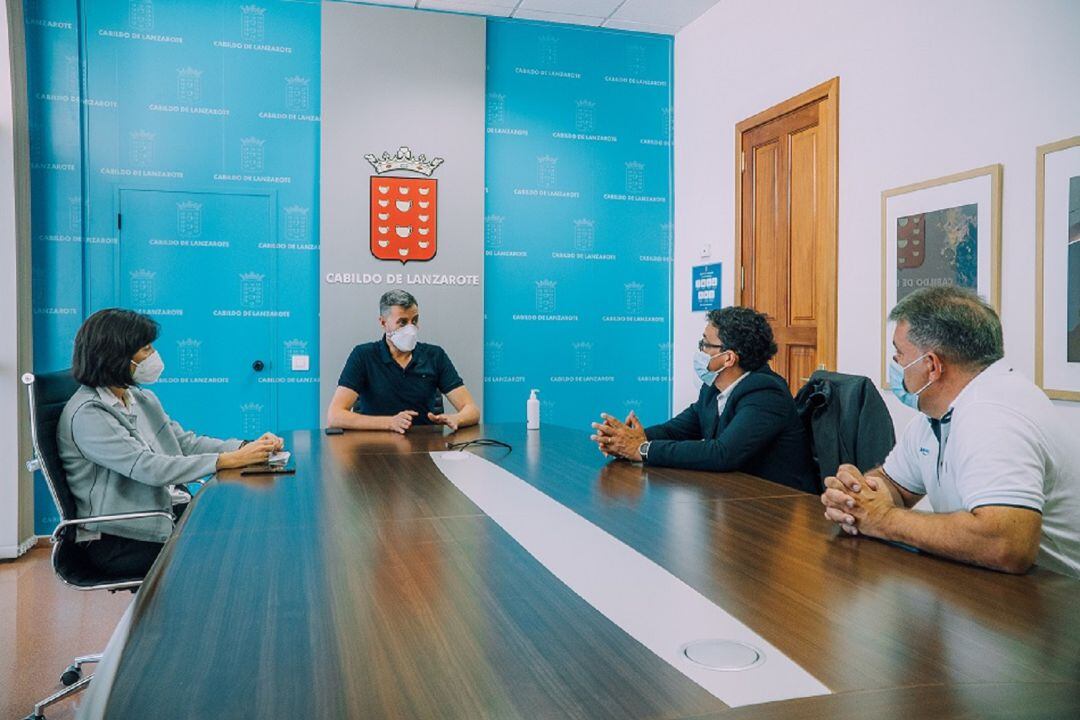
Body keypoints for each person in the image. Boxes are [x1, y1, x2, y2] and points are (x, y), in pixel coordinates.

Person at [821, 286, 1080, 577]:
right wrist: (853, 497)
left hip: (1057, 601)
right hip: (990, 590)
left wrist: (882, 518)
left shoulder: (994, 414)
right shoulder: (937, 413)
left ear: (931, 365)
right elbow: (894, 485)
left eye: (900, 354)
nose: (896, 365)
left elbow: (1006, 544)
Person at [57, 309, 283, 578]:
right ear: (116, 355)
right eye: (145, 349)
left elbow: (184, 443)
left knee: (247, 529)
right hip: (118, 537)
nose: (154, 357)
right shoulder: (88, 414)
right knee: (230, 552)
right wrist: (227, 461)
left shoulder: (140, 399)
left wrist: (244, 446)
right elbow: (148, 468)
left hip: (161, 513)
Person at [591, 306, 818, 493]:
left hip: (780, 504)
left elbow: (722, 454)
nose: (699, 351)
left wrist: (641, 449)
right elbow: (678, 429)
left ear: (728, 358)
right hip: (736, 495)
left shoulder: (766, 393)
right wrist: (631, 438)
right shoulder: (713, 387)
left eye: (705, 345)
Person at [327, 290, 480, 433]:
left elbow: (471, 410)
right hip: (374, 448)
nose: (411, 328)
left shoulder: (435, 355)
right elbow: (335, 416)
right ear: (383, 323)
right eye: (402, 322)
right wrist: (390, 423)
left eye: (414, 320)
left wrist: (456, 418)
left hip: (424, 447)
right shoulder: (363, 355)